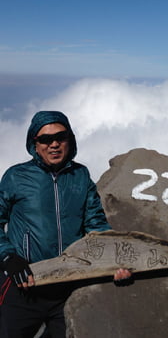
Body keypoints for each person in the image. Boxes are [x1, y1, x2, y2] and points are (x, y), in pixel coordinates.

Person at [0, 111, 131, 337]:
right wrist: (8, 257)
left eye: (61, 137)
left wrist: (115, 263)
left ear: (70, 139)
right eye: (45, 139)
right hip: (23, 285)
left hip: (69, 289)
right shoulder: (16, 176)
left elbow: (96, 224)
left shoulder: (81, 175)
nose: (54, 144)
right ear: (34, 144)